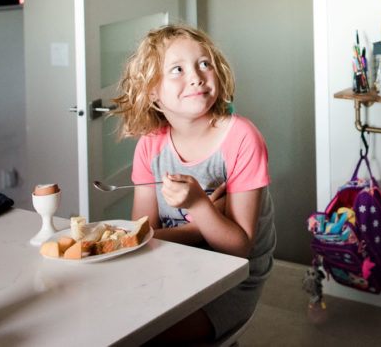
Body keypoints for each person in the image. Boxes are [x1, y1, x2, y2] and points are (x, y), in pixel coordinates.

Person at [113, 24, 276, 344]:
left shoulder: (241, 138)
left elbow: (238, 247)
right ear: (152, 92)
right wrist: (202, 223)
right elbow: (142, 233)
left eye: (205, 63)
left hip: (231, 277)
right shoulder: (150, 144)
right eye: (177, 69)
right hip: (173, 264)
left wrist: (198, 204)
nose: (196, 76)